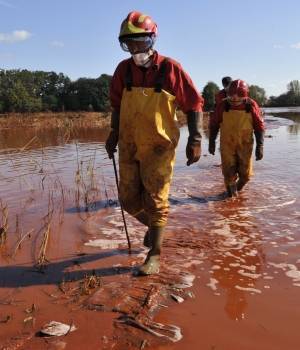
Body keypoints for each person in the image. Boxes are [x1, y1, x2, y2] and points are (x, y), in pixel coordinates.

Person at [105, 11, 204, 275]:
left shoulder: (170, 68)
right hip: (129, 144)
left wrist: (195, 138)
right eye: (130, 43)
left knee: (156, 200)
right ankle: (154, 226)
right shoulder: (122, 71)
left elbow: (194, 105)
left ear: (153, 39)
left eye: (141, 42)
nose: (136, 48)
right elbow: (116, 105)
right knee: (127, 200)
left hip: (159, 146)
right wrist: (113, 134)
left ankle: (155, 254)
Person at [208, 79, 264, 197]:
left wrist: (260, 146)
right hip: (227, 144)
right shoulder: (223, 105)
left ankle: (237, 191)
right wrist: (211, 142)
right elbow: (214, 124)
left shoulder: (251, 105)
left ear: (244, 96)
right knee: (228, 173)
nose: (234, 99)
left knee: (246, 175)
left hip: (245, 144)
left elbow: (259, 127)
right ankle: (231, 198)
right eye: (231, 96)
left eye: (238, 97)